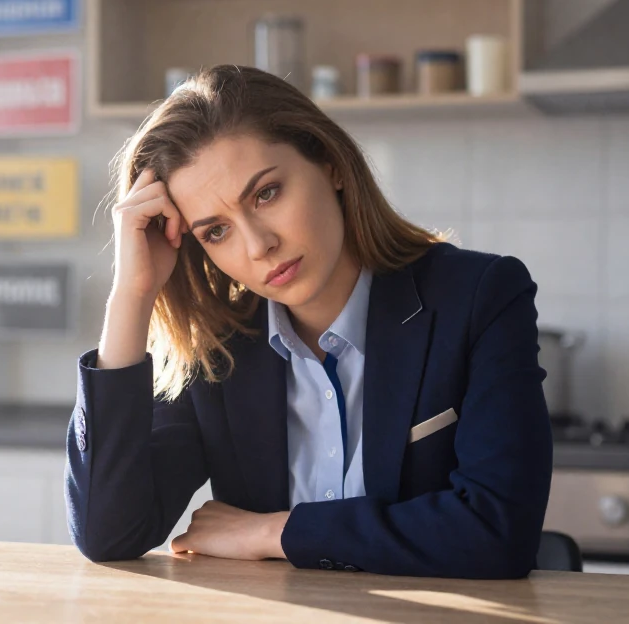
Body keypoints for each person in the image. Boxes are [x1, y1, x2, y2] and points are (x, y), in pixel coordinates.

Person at [64, 65, 552, 578]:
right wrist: (132, 295)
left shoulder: (479, 296)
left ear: (331, 164)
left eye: (266, 194)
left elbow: (499, 533)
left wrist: (273, 532)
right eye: (215, 232)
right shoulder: (215, 347)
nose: (258, 245)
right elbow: (108, 534)